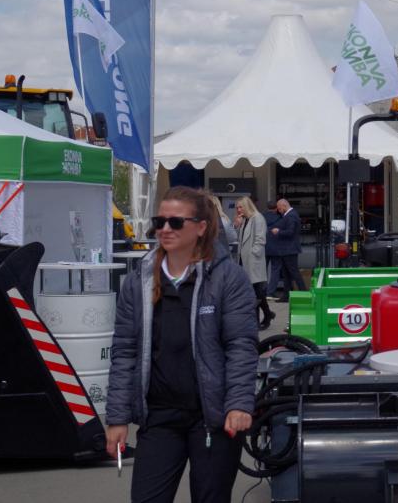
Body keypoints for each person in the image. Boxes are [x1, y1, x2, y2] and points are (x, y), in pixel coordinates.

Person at [105, 186, 259, 503]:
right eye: (159, 221)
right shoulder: (139, 282)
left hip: (212, 418)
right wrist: (117, 418)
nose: (164, 229)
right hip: (159, 417)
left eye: (175, 222)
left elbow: (241, 346)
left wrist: (239, 404)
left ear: (201, 227)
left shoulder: (228, 278)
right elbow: (125, 352)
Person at [235, 196, 274, 329]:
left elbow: (260, 239)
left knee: (255, 293)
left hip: (253, 261)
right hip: (244, 260)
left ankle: (258, 321)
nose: (238, 210)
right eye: (237, 207)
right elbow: (240, 239)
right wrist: (237, 225)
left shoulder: (257, 218)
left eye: (241, 207)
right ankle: (267, 314)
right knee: (256, 292)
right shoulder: (245, 219)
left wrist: (253, 253)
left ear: (247, 206)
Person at [271, 197, 307, 301]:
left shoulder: (291, 216)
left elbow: (290, 232)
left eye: (279, 208)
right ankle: (286, 296)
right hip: (287, 249)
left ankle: (304, 293)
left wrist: (278, 231)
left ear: (284, 205)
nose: (278, 210)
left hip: (289, 249)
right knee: (287, 274)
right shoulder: (289, 215)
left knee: (294, 272)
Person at [264, 201, 284, 298]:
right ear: (276, 209)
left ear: (267, 208)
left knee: (262, 270)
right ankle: (270, 291)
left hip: (264, 247)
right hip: (277, 248)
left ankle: (262, 290)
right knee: (275, 270)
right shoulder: (280, 218)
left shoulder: (261, 217)